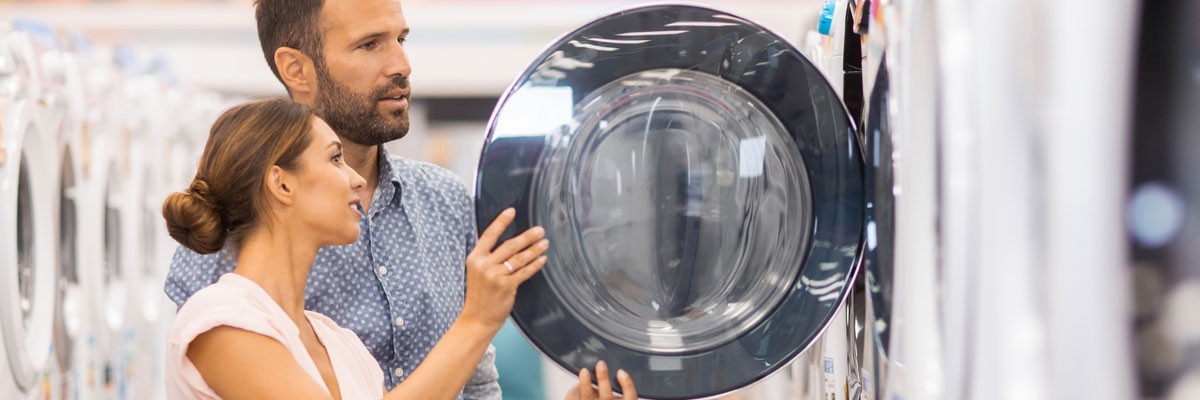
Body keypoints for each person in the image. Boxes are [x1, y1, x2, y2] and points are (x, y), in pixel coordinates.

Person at [165, 0, 541, 397]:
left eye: (400, 39)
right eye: (369, 45)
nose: (401, 64)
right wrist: (477, 321)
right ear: (296, 69)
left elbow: (476, 385)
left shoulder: (445, 204)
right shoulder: (228, 254)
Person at [162, 98, 637, 400]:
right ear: (281, 183)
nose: (353, 177)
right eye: (333, 159)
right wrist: (477, 320)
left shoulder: (337, 341)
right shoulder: (221, 320)